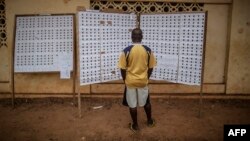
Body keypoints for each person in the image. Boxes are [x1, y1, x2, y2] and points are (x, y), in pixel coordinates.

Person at [118, 28, 157, 133]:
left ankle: (135, 125)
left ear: (132, 37)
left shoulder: (126, 51)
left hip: (130, 82)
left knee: (132, 105)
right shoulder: (148, 50)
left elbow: (122, 68)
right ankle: (149, 121)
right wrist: (146, 78)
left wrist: (125, 80)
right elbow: (151, 67)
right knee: (146, 102)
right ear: (141, 37)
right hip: (143, 81)